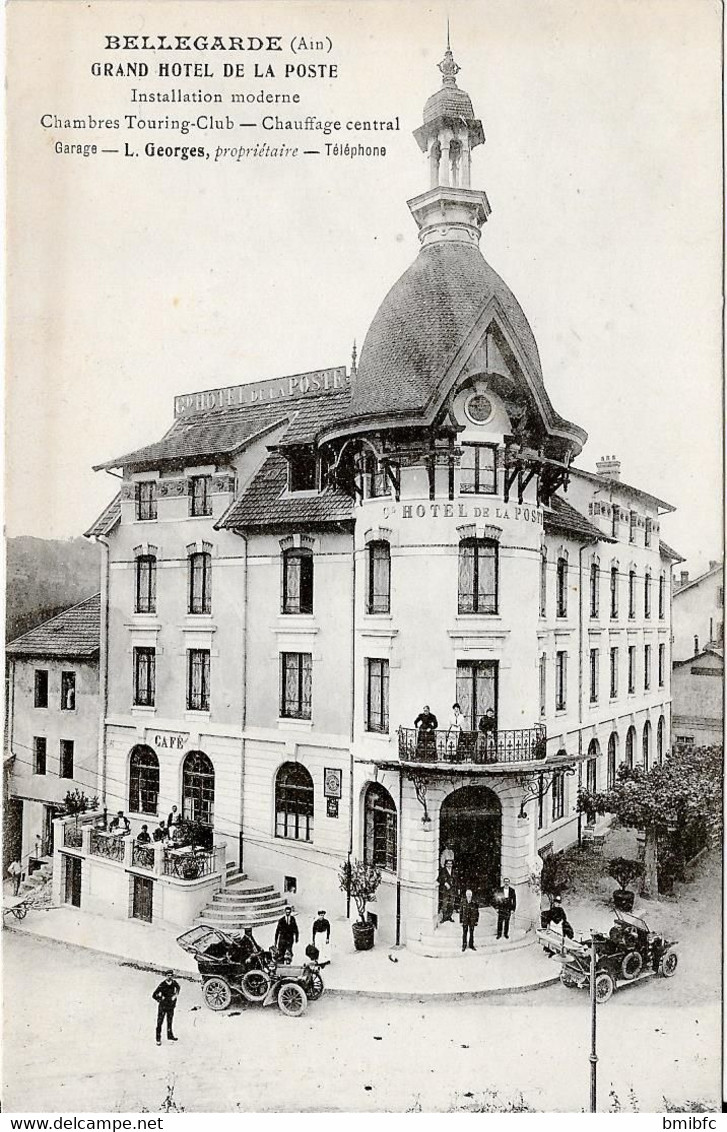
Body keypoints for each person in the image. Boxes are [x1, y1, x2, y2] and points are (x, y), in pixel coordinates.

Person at [152, 971, 180, 1045]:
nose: (169, 977)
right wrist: (160, 999)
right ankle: (158, 1039)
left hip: (171, 1006)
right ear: (165, 976)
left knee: (170, 1022)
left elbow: (178, 988)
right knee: (160, 1022)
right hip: (163, 1006)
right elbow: (154, 995)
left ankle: (170, 1036)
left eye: (171, 975)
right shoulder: (162, 984)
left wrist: (175, 996)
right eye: (168, 975)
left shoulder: (174, 983)